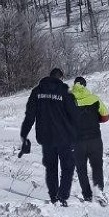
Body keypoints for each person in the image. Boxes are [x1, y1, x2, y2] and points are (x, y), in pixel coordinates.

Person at [20, 68, 78, 207]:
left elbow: (30, 116)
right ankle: (62, 196)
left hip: (45, 137)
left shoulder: (37, 91)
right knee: (67, 167)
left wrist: (24, 135)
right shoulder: (65, 92)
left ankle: (53, 196)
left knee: (51, 168)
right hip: (64, 137)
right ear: (61, 78)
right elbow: (75, 116)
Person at [71, 76, 109, 203]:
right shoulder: (95, 98)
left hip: (77, 141)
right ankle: (99, 192)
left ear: (74, 85)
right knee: (97, 165)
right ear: (85, 85)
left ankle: (87, 195)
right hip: (95, 139)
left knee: (81, 168)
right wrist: (94, 119)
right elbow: (105, 117)